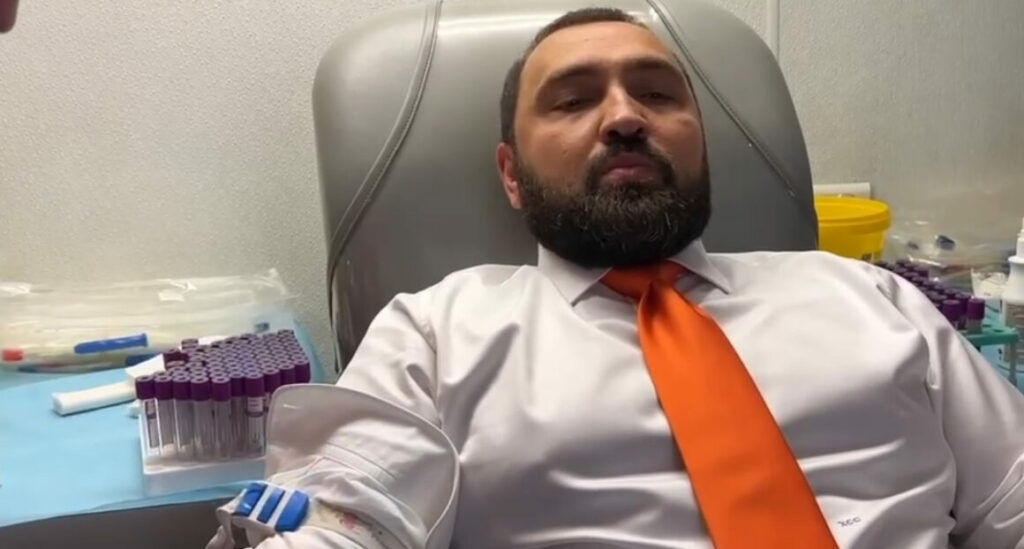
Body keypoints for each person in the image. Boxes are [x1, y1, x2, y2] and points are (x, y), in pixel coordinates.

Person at [210, 7, 1024, 549]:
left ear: (700, 143)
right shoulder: (434, 332)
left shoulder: (870, 298)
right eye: (572, 101)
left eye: (658, 94)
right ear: (512, 174)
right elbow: (349, 513)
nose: (626, 116)